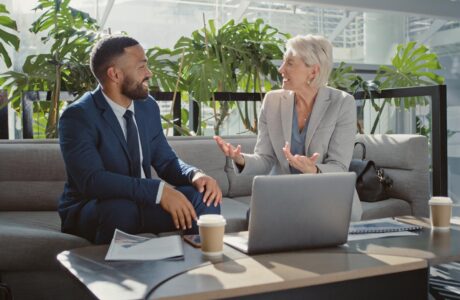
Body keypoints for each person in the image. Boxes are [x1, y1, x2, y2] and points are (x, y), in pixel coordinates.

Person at [58, 35, 222, 244]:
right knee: (120, 209)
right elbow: (93, 181)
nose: (149, 73)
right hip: (96, 207)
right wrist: (158, 191)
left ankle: (199, 266)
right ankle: (114, 275)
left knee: (203, 195)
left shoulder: (147, 107)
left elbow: (166, 161)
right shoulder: (79, 116)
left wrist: (194, 174)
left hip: (141, 203)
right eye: (141, 67)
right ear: (115, 74)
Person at [214, 34, 362, 221]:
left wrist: (314, 170)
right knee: (257, 217)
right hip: (282, 193)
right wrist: (240, 159)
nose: (281, 69)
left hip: (324, 194)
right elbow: (266, 158)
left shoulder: (341, 103)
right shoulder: (273, 101)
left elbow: (339, 167)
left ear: (313, 72)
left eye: (290, 63)